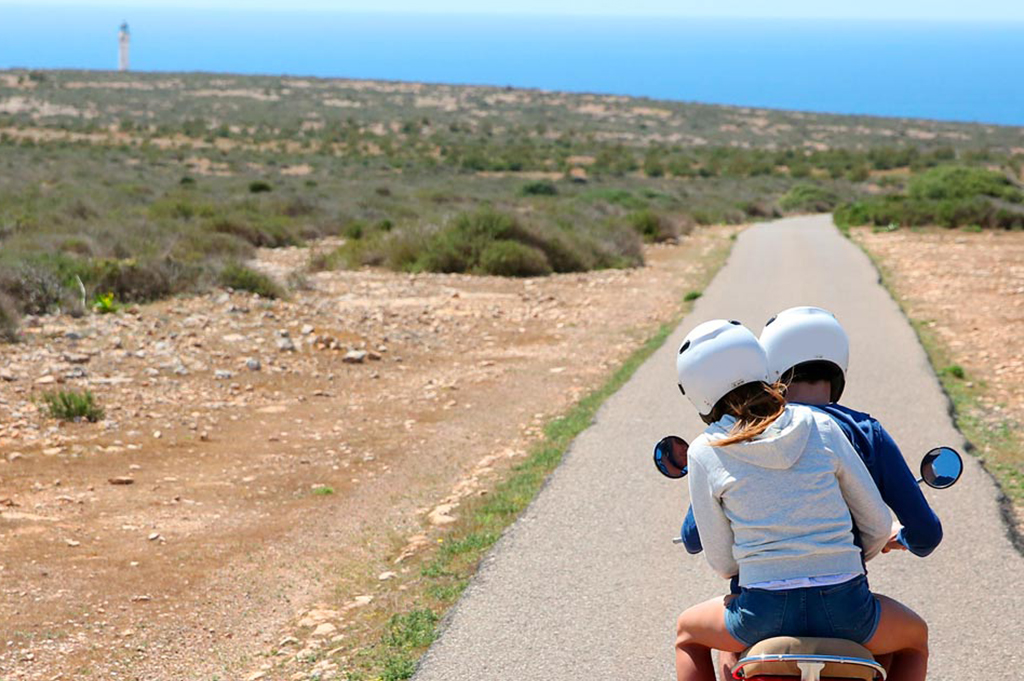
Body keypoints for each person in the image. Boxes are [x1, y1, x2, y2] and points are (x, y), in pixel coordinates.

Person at [678, 307, 941, 678]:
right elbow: (879, 525)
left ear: (695, 393)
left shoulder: (704, 450)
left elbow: (723, 565)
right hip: (847, 608)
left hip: (760, 614)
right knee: (915, 639)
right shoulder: (820, 423)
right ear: (762, 368)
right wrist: (845, 558)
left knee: (687, 633)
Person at [680, 307, 942, 559]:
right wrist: (889, 542)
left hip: (757, 591)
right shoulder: (862, 431)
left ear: (770, 369)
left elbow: (694, 539)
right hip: (846, 587)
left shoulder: (739, 433)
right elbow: (924, 534)